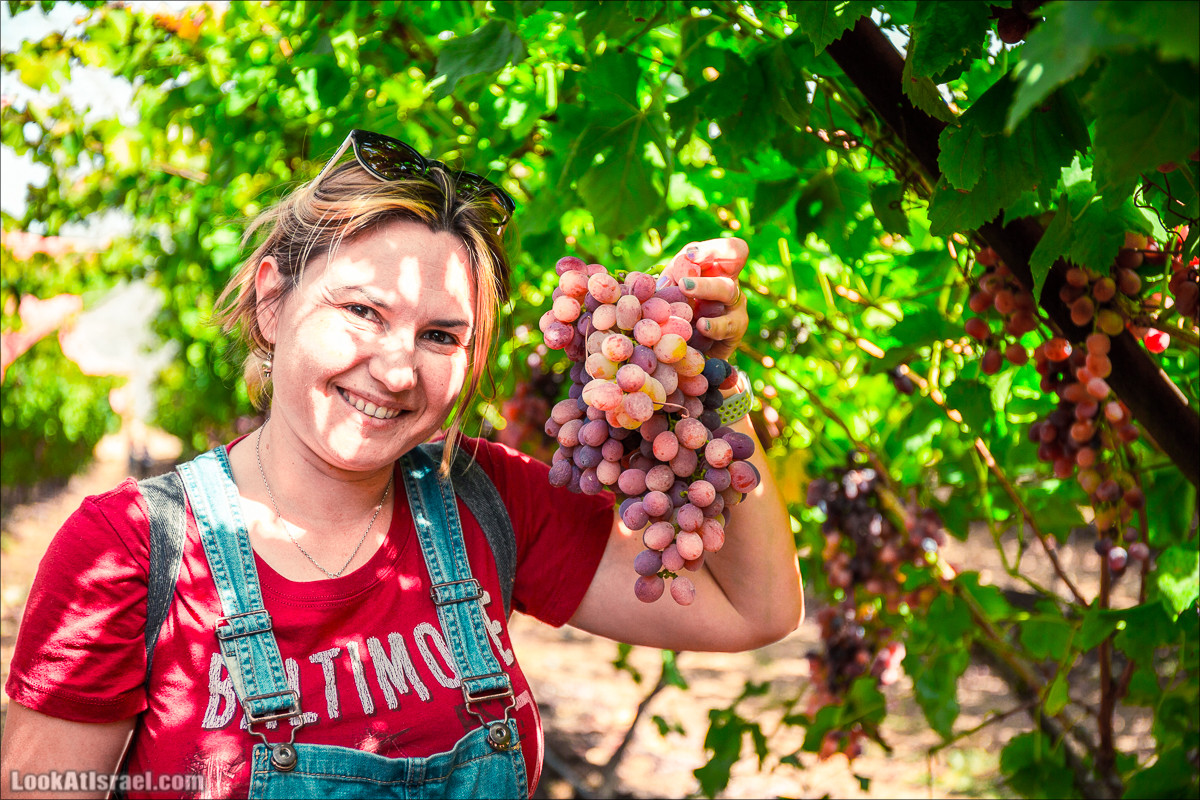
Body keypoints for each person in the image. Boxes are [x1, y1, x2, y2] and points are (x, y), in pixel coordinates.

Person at [1, 129, 803, 799]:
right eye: (361, 311)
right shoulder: (129, 549)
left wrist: (707, 381)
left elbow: (754, 610)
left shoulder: (486, 500)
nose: (395, 369)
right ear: (272, 301)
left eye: (441, 336)